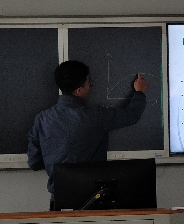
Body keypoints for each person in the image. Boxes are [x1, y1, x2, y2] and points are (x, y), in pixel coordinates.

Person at [27, 60, 148, 209]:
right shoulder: (97, 116)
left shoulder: (42, 119)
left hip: (60, 202)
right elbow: (131, 116)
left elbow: (34, 162)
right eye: (89, 82)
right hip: (94, 200)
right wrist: (140, 93)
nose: (91, 85)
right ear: (79, 90)